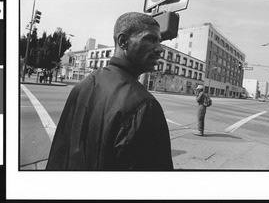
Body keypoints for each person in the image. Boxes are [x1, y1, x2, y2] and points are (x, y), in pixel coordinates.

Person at [46, 12, 174, 171]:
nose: (159, 49)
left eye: (159, 41)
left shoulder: (82, 86)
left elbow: (59, 154)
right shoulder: (144, 106)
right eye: (150, 39)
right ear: (123, 41)